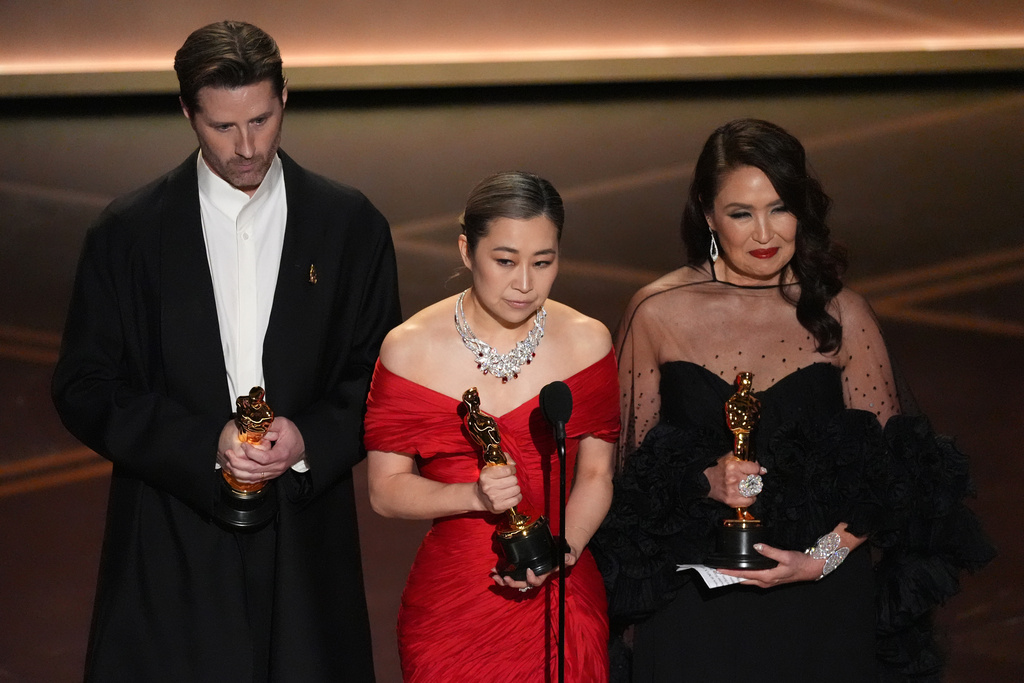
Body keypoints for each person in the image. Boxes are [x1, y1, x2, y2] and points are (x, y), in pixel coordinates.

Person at [51, 21, 401, 682]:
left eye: (261, 120)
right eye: (222, 126)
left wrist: (309, 437)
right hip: (169, 525)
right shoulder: (128, 234)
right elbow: (85, 384)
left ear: (285, 98)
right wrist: (200, 443)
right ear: (187, 112)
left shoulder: (349, 225)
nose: (247, 147)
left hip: (305, 536)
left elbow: (381, 375)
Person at [592, 119, 994, 682]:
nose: (765, 233)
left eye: (779, 208)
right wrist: (704, 480)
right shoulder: (656, 312)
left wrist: (820, 560)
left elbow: (896, 476)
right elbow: (627, 474)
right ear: (708, 214)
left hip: (821, 603)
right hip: (697, 608)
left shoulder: (843, 313)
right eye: (741, 213)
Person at [363, 171, 619, 681]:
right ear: (466, 251)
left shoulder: (588, 343)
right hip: (456, 604)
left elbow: (596, 475)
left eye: (542, 262)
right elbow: (385, 492)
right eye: (505, 261)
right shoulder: (409, 349)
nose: (524, 284)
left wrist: (561, 552)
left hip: (561, 591)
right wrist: (472, 496)